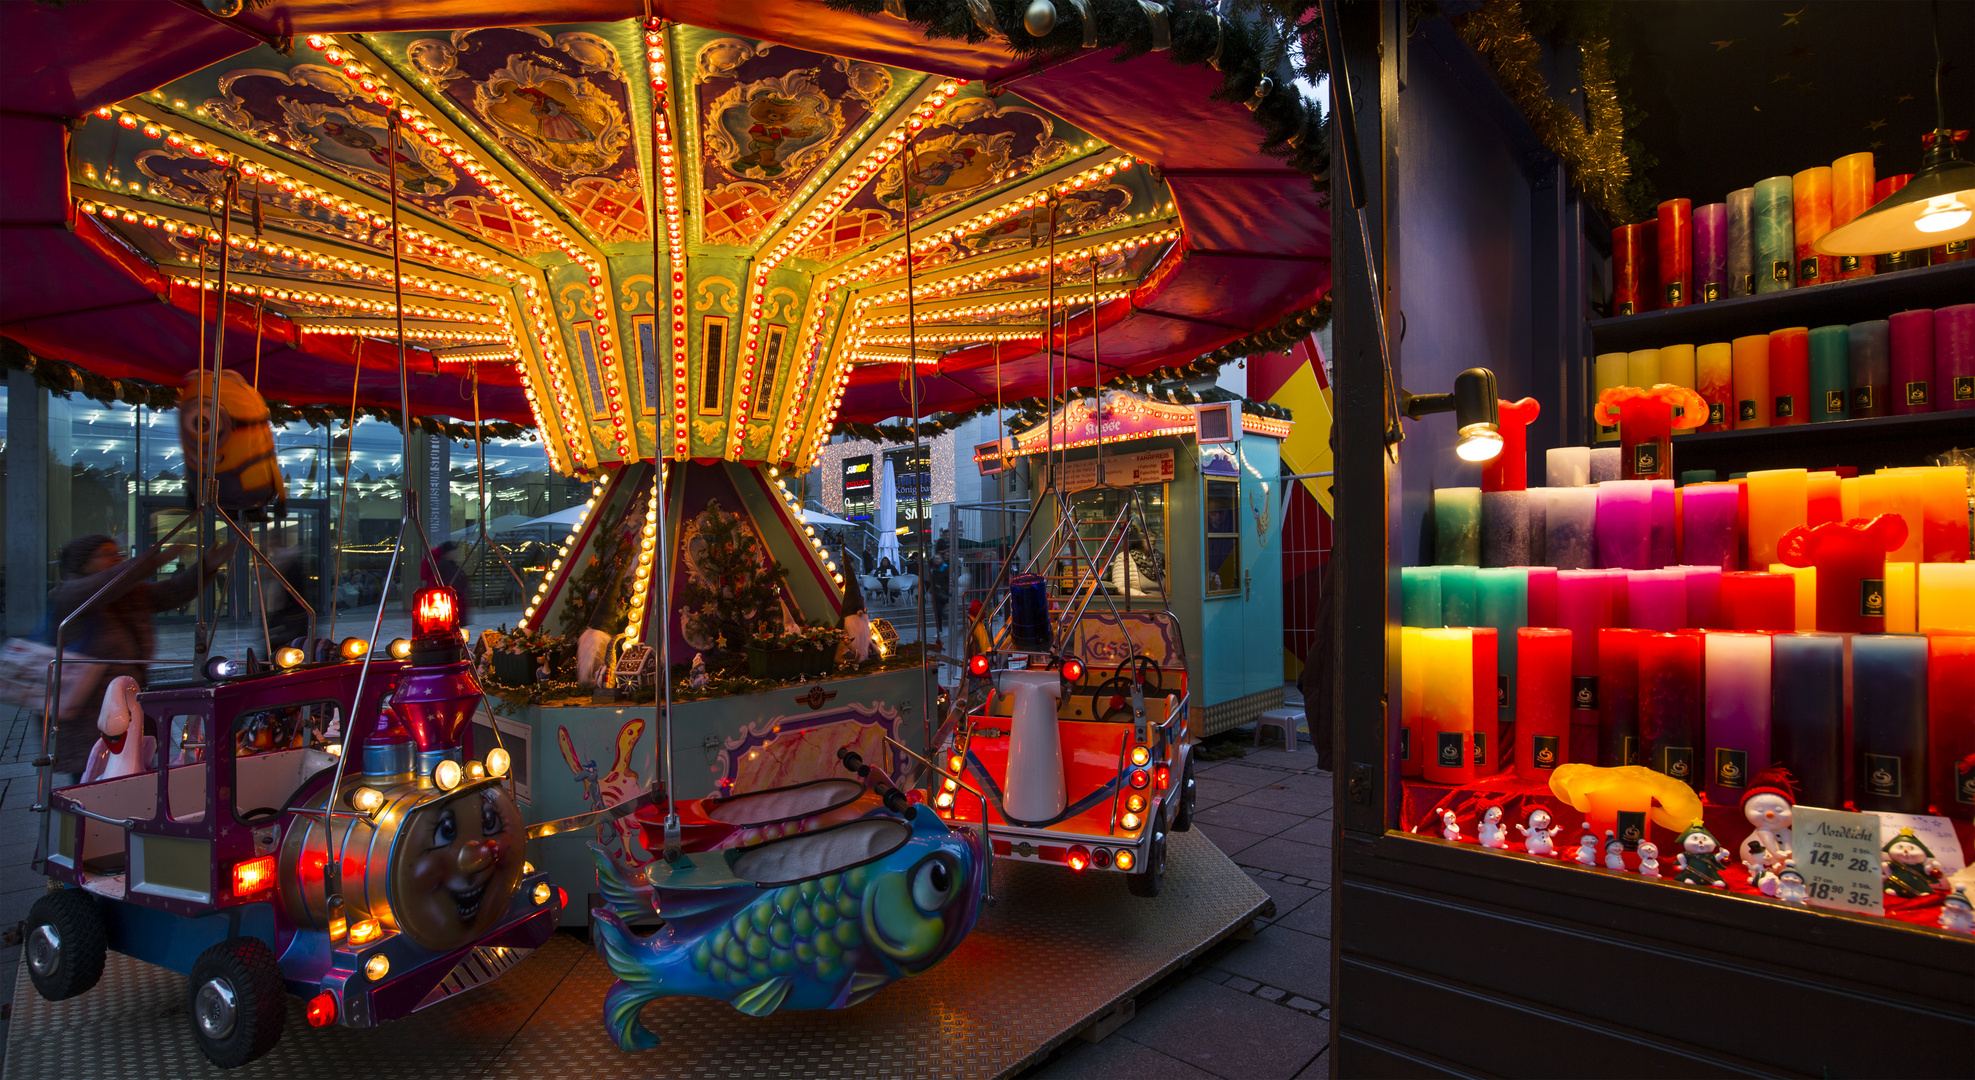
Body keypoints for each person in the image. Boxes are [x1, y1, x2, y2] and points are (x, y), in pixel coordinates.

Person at [47, 534, 235, 779]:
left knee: (136, 776)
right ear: (82, 562)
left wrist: (206, 566)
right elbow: (106, 584)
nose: (116, 558)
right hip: (89, 717)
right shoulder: (73, 593)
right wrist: (153, 561)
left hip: (131, 704)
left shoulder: (128, 594)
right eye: (106, 554)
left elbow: (172, 591)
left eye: (118, 553)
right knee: (93, 781)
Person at [422, 541, 473, 630]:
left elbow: (424, 575)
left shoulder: (443, 562)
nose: (456, 553)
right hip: (448, 599)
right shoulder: (444, 563)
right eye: (454, 551)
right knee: (451, 626)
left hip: (443, 596)